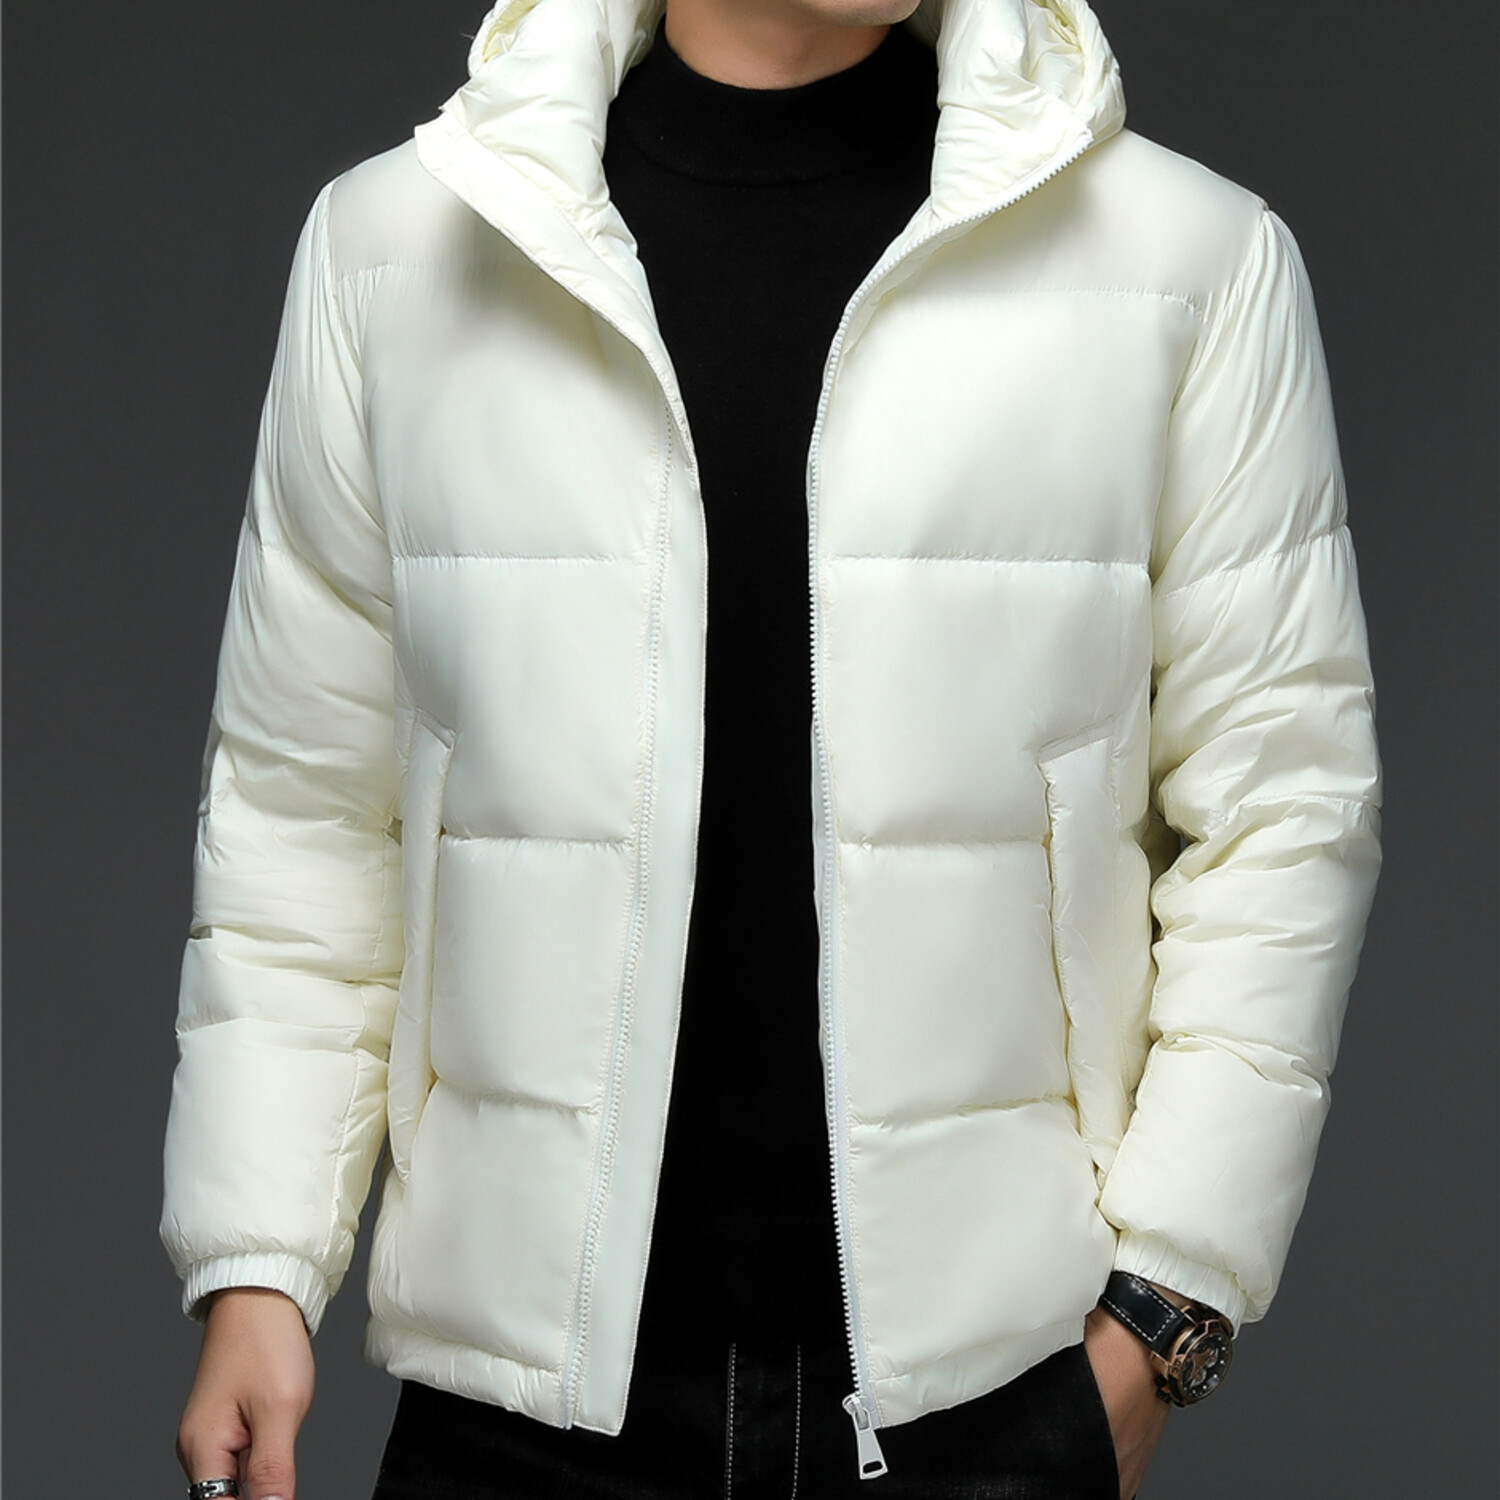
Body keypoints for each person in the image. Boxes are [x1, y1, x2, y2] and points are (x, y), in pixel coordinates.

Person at [162, 1, 1383, 1497]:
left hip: (989, 1407)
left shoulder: (1189, 261)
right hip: (525, 1421)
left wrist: (1165, 1314)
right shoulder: (395, 252)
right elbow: (300, 807)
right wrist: (259, 1261)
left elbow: (1286, 813)